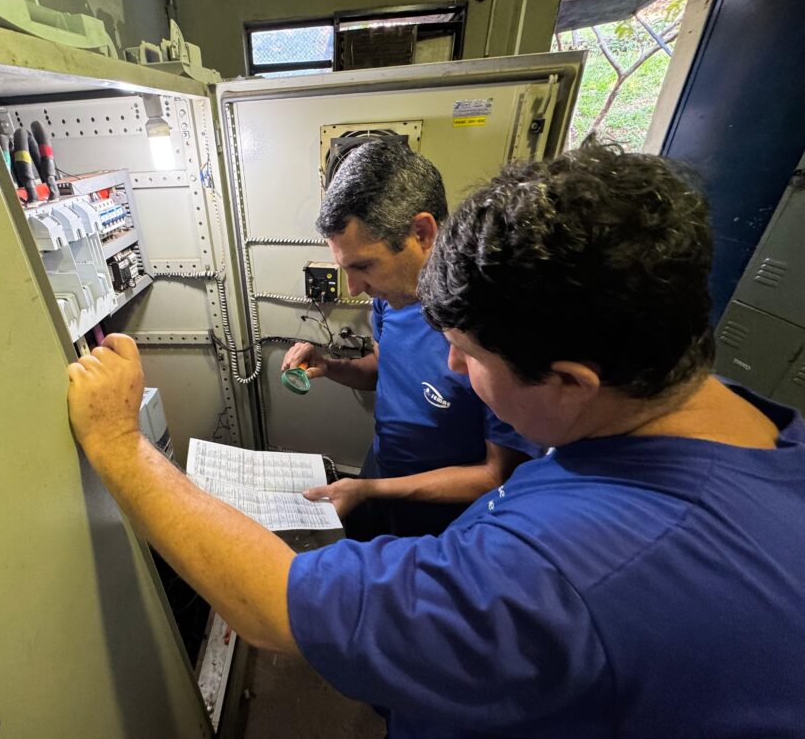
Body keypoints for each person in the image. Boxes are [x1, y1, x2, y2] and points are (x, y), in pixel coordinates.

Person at [67, 139, 805, 737]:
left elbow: (269, 606)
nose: (450, 366)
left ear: (571, 382)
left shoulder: (550, 567)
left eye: (472, 358)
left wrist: (119, 443)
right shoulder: (756, 428)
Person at [281, 141, 538, 537]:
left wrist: (371, 490)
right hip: (379, 471)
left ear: (422, 233)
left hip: (440, 516)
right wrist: (330, 367)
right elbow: (384, 371)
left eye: (364, 266)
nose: (356, 287)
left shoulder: (492, 330)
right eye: (346, 268)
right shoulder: (391, 298)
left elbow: (495, 475)